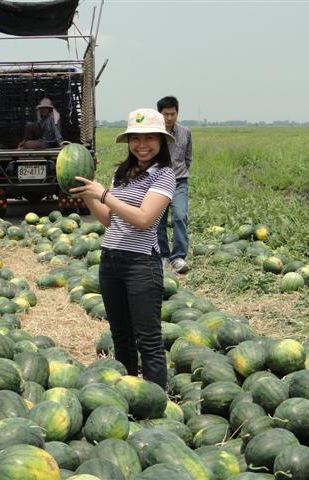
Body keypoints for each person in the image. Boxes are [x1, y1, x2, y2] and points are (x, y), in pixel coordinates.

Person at [70, 108, 176, 390]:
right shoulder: (123, 173)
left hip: (141, 264)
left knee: (148, 340)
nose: (142, 145)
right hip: (110, 261)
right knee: (121, 337)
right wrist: (89, 196)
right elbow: (109, 219)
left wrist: (104, 194)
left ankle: (155, 399)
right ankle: (129, 392)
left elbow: (143, 219)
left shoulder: (164, 175)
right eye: (136, 138)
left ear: (161, 141)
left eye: (150, 138)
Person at [156, 95, 193, 273]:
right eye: (166, 114)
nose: (169, 118)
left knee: (180, 216)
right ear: (160, 114)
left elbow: (188, 158)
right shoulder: (154, 134)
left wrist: (180, 172)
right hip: (158, 182)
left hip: (179, 182)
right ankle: (163, 255)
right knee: (158, 220)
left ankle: (178, 257)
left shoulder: (186, 132)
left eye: (173, 114)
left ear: (177, 113)